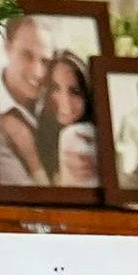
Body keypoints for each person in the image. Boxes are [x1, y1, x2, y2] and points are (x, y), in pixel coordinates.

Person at [0, 17, 57, 189]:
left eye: (45, 61)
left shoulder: (58, 107)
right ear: (7, 48)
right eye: (27, 55)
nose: (38, 72)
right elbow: (18, 189)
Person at [42, 49, 101, 187]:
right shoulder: (37, 134)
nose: (65, 101)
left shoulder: (94, 135)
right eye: (55, 88)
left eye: (75, 91)